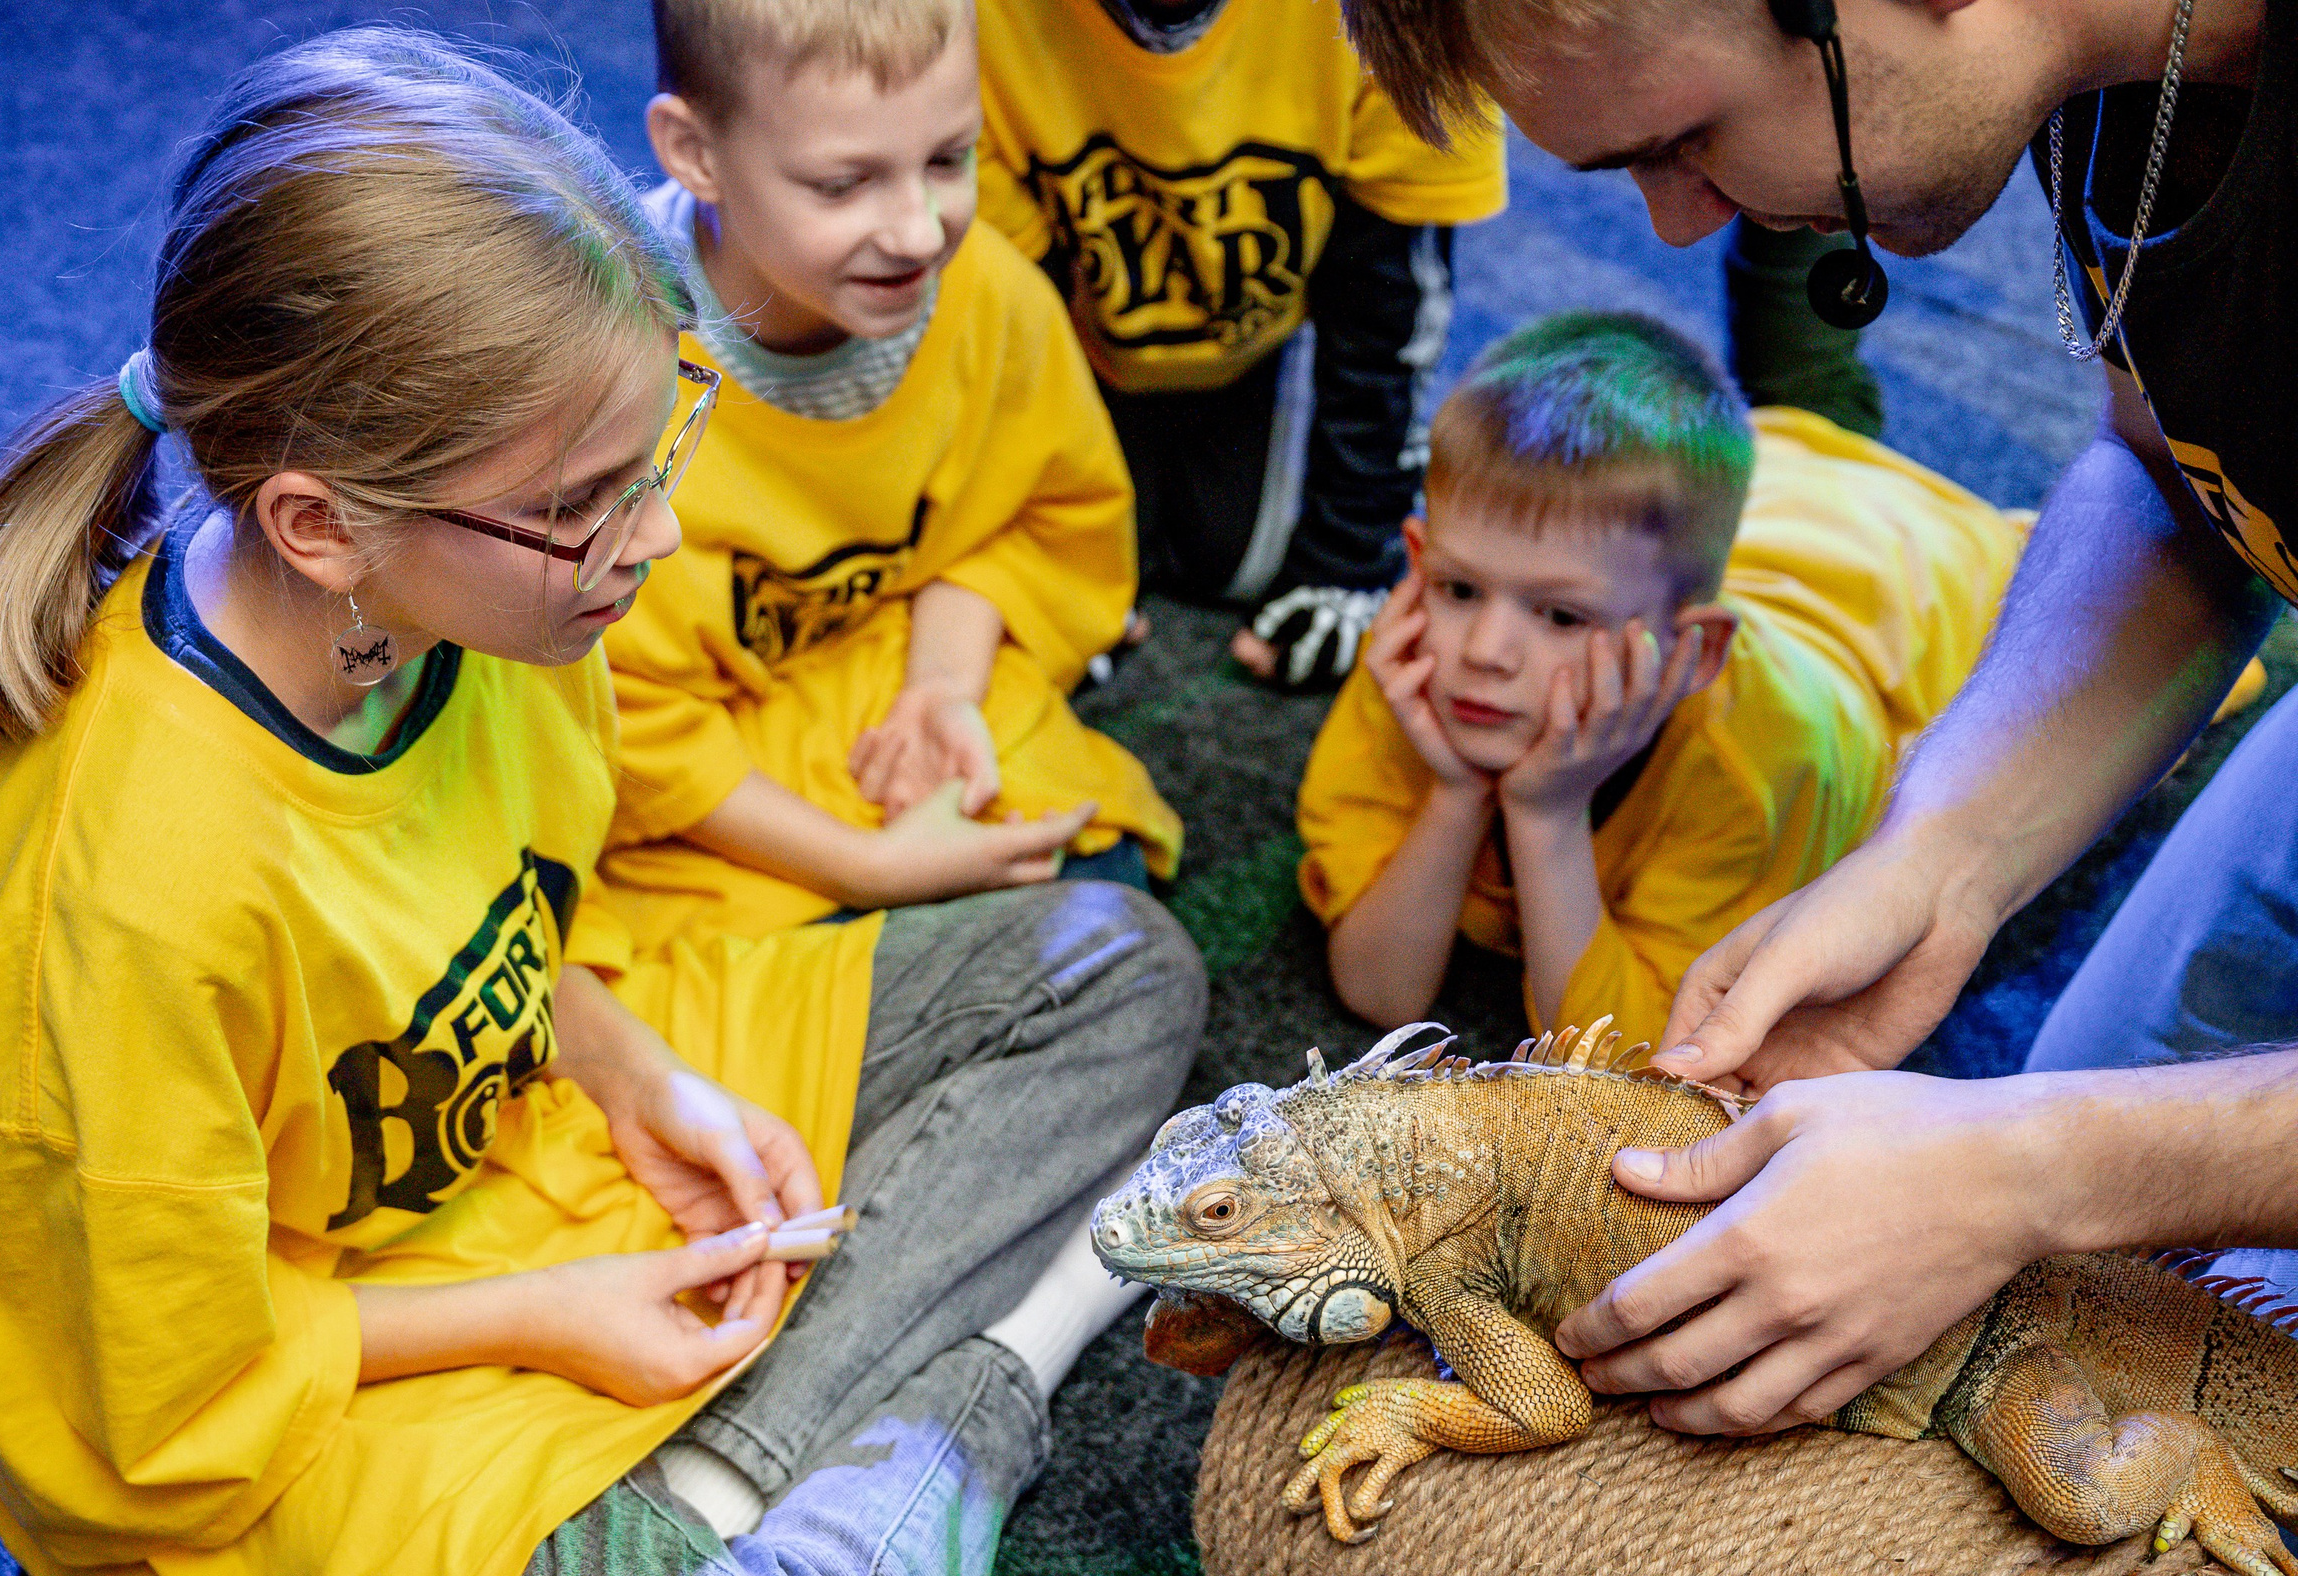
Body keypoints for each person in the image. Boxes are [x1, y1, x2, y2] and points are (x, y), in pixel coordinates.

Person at [0, 31, 1204, 1576]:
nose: (661, 537)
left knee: (1109, 965)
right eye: (585, 502)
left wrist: (638, 1076)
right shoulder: (106, 909)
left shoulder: (480, 593)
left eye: (660, 451)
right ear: (321, 526)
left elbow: (478, 922)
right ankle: (949, 1399)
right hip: (280, 1389)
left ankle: (739, 1476)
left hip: (505, 1141)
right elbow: (138, 1411)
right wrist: (552, 1314)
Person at [1333, 0, 2298, 1448]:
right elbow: (2176, 466)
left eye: (1685, 139)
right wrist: (1940, 857)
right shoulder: (2078, 63)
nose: (1677, 225)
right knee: (2106, 1295)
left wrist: (2035, 1166)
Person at [605, 0, 1182, 949]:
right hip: (714, 780)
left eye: (950, 161)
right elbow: (612, 719)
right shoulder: (608, 368)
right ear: (694, 151)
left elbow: (1043, 516)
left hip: (893, 676)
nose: (919, 232)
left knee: (1097, 879)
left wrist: (942, 688)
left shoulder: (989, 294)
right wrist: (863, 865)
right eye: (844, 184)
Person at [1297, 311, 2024, 1042]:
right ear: (1419, 562)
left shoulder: (1754, 768)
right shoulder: (1424, 652)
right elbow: (1379, 989)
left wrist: (1547, 817)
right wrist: (1457, 795)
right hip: (1775, 491)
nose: (1486, 651)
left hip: (1924, 586)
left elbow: (1623, 1064)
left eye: (1559, 616)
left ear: (1692, 654)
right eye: (1459, 589)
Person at [973, 0, 1509, 690]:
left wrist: (1347, 559)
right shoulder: (973, 20)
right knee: (1083, 572)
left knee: (1238, 562)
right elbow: (1003, 315)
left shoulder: (1397, 14)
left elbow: (1389, 313)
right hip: (1083, 355)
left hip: (1262, 347)